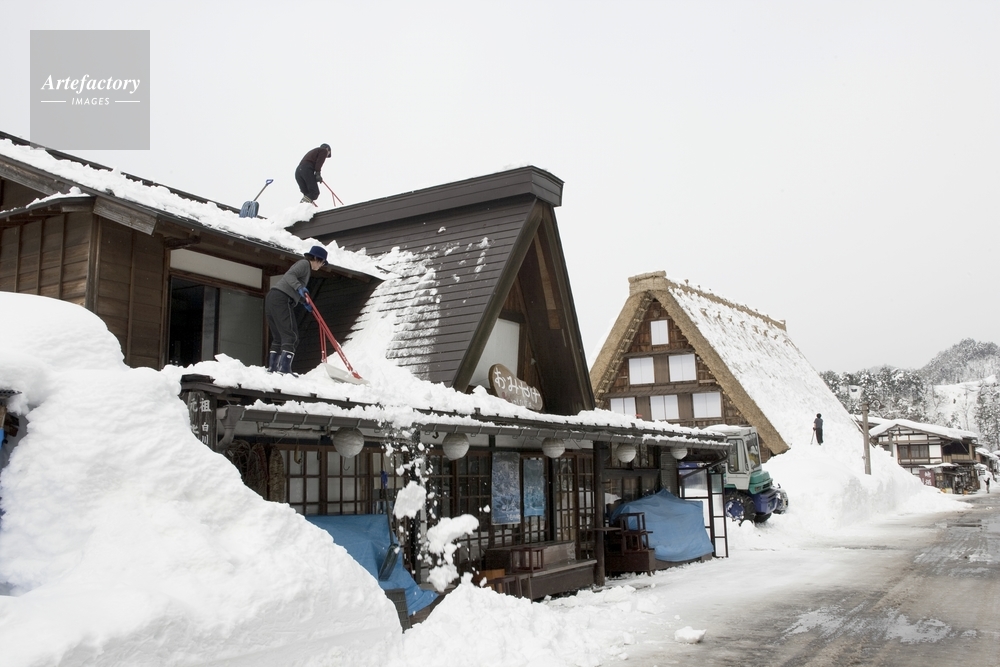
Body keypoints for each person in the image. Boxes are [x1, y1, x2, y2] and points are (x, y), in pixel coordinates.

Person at [265, 245, 328, 373]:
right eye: (322, 263)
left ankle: (273, 368)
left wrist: (304, 301)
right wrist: (299, 287)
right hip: (281, 298)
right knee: (291, 336)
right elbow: (290, 276)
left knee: (279, 337)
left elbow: (294, 289)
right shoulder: (304, 264)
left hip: (273, 297)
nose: (321, 266)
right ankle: (284, 369)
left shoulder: (305, 267)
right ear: (316, 259)